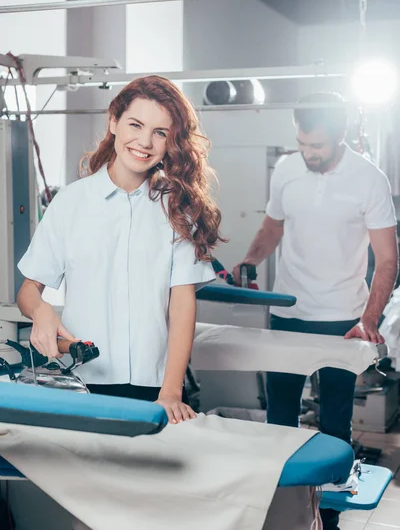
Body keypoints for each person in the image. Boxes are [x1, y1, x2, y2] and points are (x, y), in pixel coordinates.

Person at [17, 75, 225, 424]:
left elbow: (182, 303)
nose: (144, 141)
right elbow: (28, 290)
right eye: (135, 124)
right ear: (113, 121)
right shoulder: (70, 203)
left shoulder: (176, 210)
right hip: (83, 383)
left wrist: (171, 392)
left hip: (158, 388)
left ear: (171, 142)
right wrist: (41, 311)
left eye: (160, 132)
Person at [233, 92, 399, 530]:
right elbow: (273, 226)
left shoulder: (370, 180)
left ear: (341, 136)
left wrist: (369, 318)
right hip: (288, 311)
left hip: (343, 318)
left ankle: (329, 515)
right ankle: (280, 509)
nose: (308, 153)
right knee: (280, 418)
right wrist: (251, 258)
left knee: (334, 422)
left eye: (317, 146)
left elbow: (387, 258)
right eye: (303, 143)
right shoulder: (287, 169)